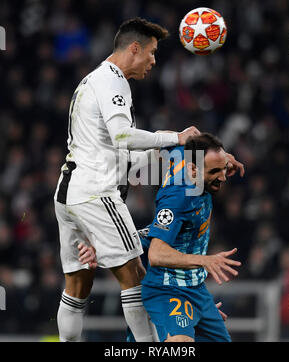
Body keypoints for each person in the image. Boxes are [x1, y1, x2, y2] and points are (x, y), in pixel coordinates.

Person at [54, 17, 202, 342]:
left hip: (68, 194)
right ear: (134, 48)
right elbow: (122, 135)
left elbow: (116, 149)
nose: (153, 61)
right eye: (151, 53)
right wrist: (174, 138)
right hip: (96, 194)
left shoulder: (91, 81)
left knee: (78, 284)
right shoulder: (113, 81)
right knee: (135, 275)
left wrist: (166, 149)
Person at [138, 133, 242, 342]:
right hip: (168, 290)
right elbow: (156, 254)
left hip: (197, 291)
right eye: (215, 171)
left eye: (223, 170)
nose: (222, 177)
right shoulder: (178, 199)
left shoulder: (186, 155)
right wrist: (206, 261)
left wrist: (226, 159)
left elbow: (165, 141)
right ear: (193, 170)